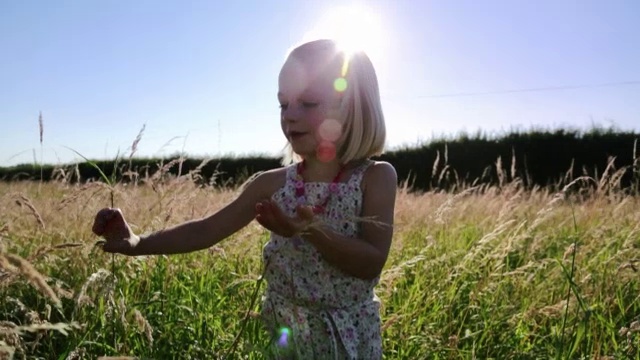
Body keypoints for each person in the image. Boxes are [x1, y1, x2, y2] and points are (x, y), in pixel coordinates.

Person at [92, 38, 397, 359]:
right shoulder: (272, 183)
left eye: (307, 103)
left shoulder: (374, 178)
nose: (290, 115)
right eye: (283, 104)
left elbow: (371, 261)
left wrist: (310, 231)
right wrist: (138, 242)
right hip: (287, 334)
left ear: (352, 107)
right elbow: (206, 231)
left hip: (346, 337)